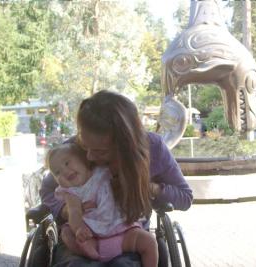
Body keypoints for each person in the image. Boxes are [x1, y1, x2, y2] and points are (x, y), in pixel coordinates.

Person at [40, 90, 193, 267]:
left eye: (100, 151)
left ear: (125, 147)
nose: (88, 156)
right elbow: (46, 190)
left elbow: (185, 197)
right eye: (86, 146)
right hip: (82, 238)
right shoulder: (72, 152)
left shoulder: (153, 148)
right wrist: (70, 210)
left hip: (127, 235)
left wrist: (149, 188)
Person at [45, 143, 157, 266]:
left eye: (67, 163)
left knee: (149, 242)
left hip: (122, 231)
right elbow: (74, 212)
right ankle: (86, 249)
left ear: (84, 159)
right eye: (57, 173)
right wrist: (79, 229)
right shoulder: (72, 192)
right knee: (67, 234)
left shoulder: (104, 171)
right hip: (92, 237)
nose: (65, 171)